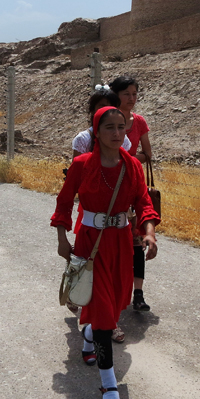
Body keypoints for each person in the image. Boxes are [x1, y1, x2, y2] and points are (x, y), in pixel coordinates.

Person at [51, 106, 159, 399]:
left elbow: (143, 202)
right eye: (109, 127)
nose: (116, 133)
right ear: (96, 133)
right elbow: (63, 201)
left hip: (122, 244)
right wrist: (62, 238)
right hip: (91, 244)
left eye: (121, 127)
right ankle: (109, 386)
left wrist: (149, 233)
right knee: (102, 318)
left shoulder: (132, 166)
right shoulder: (82, 165)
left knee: (116, 305)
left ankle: (87, 336)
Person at [69, 85, 133, 343]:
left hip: (117, 215)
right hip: (91, 209)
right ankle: (101, 322)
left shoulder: (123, 143)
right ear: (94, 117)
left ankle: (101, 320)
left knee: (113, 275)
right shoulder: (82, 142)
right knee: (90, 265)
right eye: (100, 110)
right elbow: (74, 183)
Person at [109, 75, 153, 312]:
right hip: (109, 186)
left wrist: (127, 159)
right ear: (115, 95)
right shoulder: (106, 119)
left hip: (132, 184)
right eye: (126, 93)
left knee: (137, 242)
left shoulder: (140, 122)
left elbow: (148, 154)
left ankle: (138, 293)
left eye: (135, 93)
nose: (132, 98)